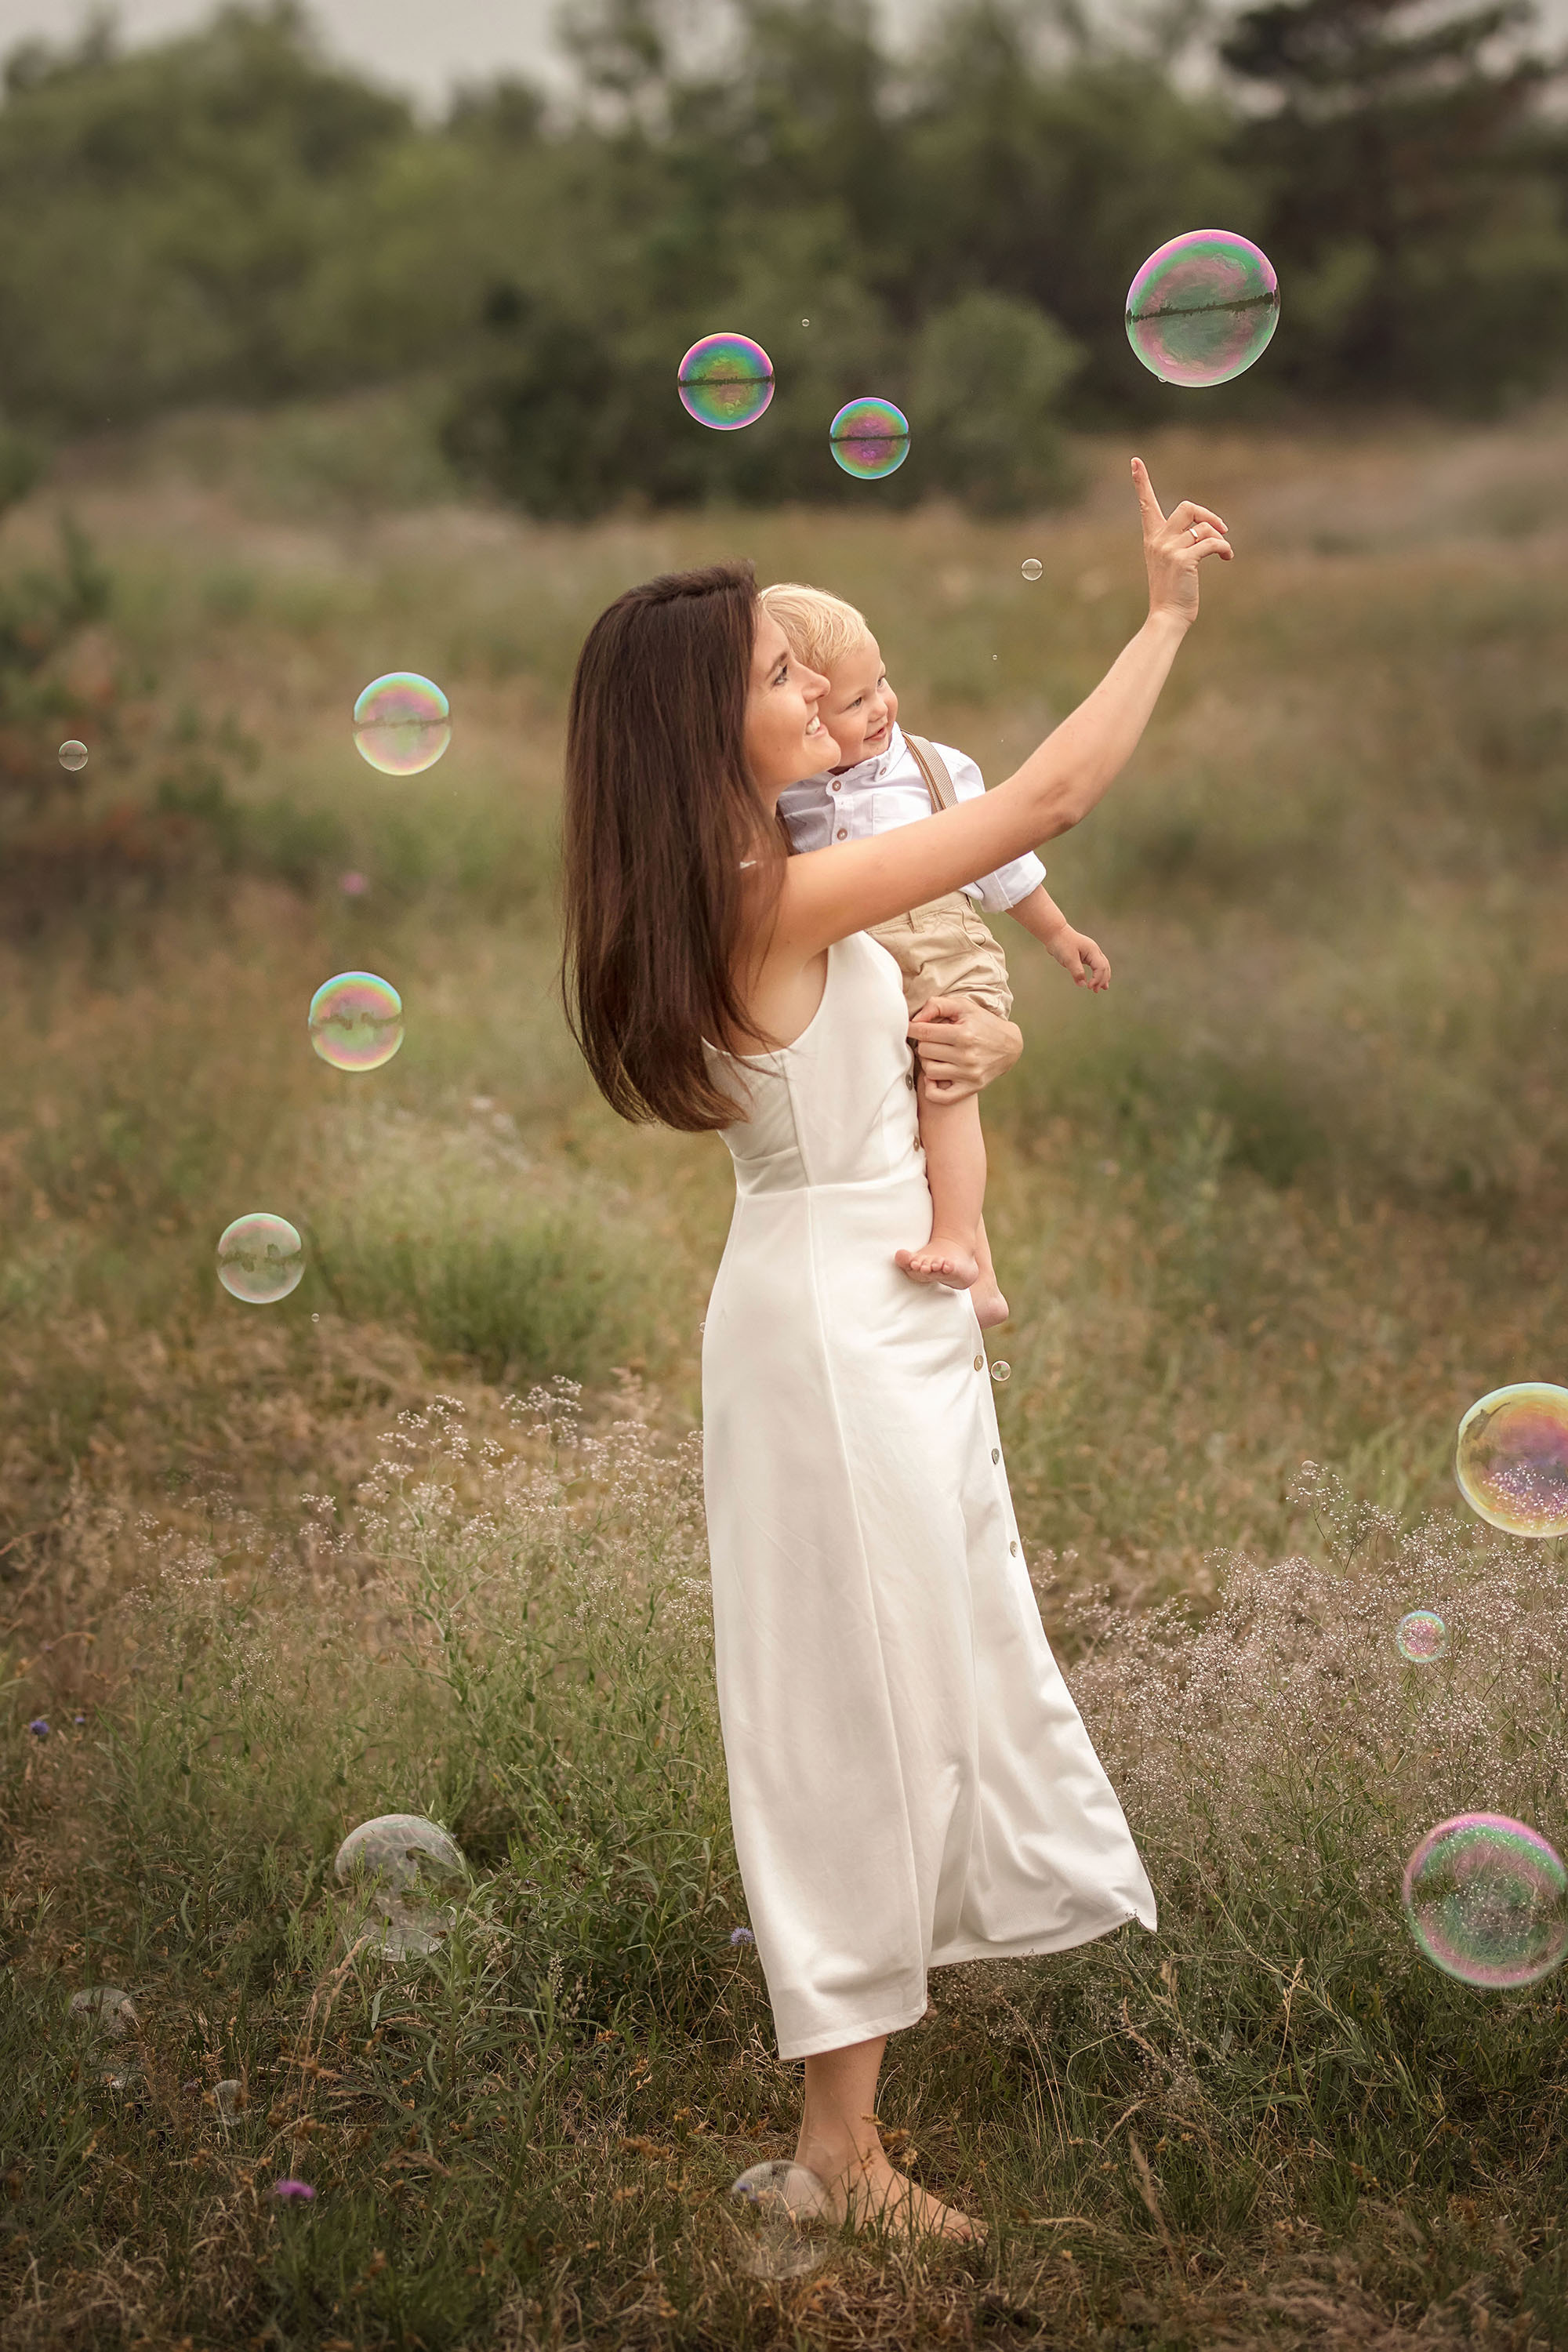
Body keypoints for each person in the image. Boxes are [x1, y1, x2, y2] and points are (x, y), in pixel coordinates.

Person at [560, 460, 1232, 2244]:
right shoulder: (761, 891)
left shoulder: (777, 873)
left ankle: (841, 2129)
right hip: (831, 1335)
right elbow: (1052, 792)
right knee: (843, 1714)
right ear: (702, 725)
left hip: (861, 1300)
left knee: (888, 1686)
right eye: (778, 674)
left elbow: (872, 1045)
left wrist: (950, 1053)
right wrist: (1160, 617)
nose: (816, 692)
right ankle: (833, 2158)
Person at [758, 579, 1110, 1331]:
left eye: (882, 683)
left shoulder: (932, 769)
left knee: (946, 1089)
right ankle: (974, 1277)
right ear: (807, 713)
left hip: (945, 953)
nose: (882, 706)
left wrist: (1057, 933)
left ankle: (962, 1246)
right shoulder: (788, 796)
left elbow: (1004, 863)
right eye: (855, 703)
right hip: (861, 971)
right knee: (900, 1111)